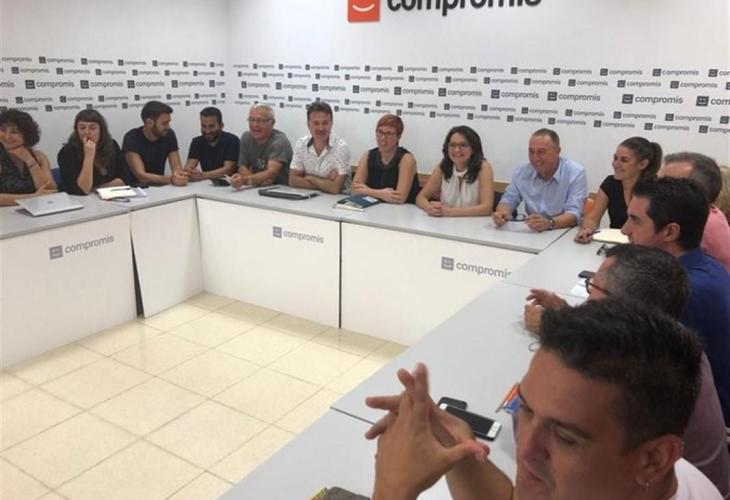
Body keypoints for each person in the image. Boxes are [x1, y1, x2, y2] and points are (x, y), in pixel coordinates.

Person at [367, 300, 721, 499]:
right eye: (525, 409)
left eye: (565, 437)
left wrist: (391, 491)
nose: (524, 450)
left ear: (654, 459)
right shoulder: (652, 480)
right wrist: (456, 445)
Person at [523, 244, 730, 495]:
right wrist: (564, 312)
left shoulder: (633, 378)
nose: (587, 300)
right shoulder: (673, 344)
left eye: (594, 287)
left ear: (621, 307)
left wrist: (547, 324)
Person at [621, 177, 730, 429]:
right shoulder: (705, 265)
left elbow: (622, 360)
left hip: (702, 420)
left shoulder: (683, 290)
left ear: (670, 232)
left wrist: (559, 323)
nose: (625, 230)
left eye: (635, 220)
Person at [493, 128, 586, 232]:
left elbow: (574, 214)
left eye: (541, 152)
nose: (535, 158)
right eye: (531, 152)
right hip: (532, 232)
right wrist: (502, 213)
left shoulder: (575, 173)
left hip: (562, 231)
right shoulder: (522, 172)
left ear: (557, 151)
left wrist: (549, 223)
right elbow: (508, 200)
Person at [575, 137, 662, 243]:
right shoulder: (610, 183)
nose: (615, 164)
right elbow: (593, 217)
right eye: (615, 158)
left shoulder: (655, 189)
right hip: (615, 245)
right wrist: (587, 229)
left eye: (624, 160)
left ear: (642, 164)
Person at [659, 152, 730, 272]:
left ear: (695, 191)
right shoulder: (710, 212)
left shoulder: (701, 222)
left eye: (668, 185)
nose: (656, 190)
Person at [415, 125, 494, 217]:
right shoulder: (443, 166)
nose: (457, 150)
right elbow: (420, 198)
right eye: (452, 145)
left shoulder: (483, 167)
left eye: (463, 145)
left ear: (473, 149)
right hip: (446, 223)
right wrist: (430, 208)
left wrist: (449, 212)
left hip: (476, 224)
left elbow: (486, 208)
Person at [57, 109, 130, 195]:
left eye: (92, 128)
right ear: (76, 130)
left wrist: (97, 188)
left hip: (110, 197)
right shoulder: (67, 152)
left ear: (101, 130)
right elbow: (82, 190)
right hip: (78, 200)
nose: (87, 132)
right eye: (82, 128)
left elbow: (125, 179)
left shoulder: (112, 145)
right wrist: (89, 156)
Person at [351, 114, 420, 204]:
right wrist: (382, 194)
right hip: (374, 208)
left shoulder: (406, 159)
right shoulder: (368, 156)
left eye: (389, 134)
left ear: (398, 137)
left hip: (401, 210)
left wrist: (366, 191)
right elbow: (354, 190)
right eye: (380, 132)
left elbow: (399, 198)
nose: (383, 138)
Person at [288, 101, 351, 194]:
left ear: (331, 123)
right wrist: (325, 183)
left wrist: (310, 178)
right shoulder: (301, 144)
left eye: (325, 123)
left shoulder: (341, 147)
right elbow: (293, 181)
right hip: (308, 197)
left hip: (335, 199)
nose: (321, 128)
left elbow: (334, 188)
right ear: (308, 125)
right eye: (316, 123)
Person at [122, 100, 187, 186]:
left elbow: (177, 169)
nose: (168, 127)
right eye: (164, 123)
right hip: (136, 188)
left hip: (160, 187)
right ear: (149, 122)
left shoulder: (169, 134)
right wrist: (171, 179)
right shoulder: (132, 138)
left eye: (168, 122)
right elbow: (141, 176)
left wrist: (181, 176)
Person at [0, 108, 56, 206]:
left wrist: (29, 160)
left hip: (36, 210)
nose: (7, 136)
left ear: (27, 135)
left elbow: (50, 190)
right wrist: (33, 197)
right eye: (3, 130)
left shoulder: (39, 156)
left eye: (14, 132)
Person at [229, 104, 292, 188]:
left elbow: (271, 173)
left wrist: (246, 180)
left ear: (272, 123)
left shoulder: (280, 141)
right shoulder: (246, 137)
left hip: (280, 189)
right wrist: (256, 181)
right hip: (256, 188)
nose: (255, 125)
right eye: (251, 120)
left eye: (260, 121)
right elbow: (242, 167)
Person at [183, 106, 240, 182]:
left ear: (221, 125)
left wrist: (202, 175)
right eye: (203, 126)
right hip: (206, 185)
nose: (207, 131)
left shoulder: (232, 140)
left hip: (230, 185)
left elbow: (228, 170)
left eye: (211, 126)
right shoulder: (197, 142)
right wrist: (190, 172)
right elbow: (188, 168)